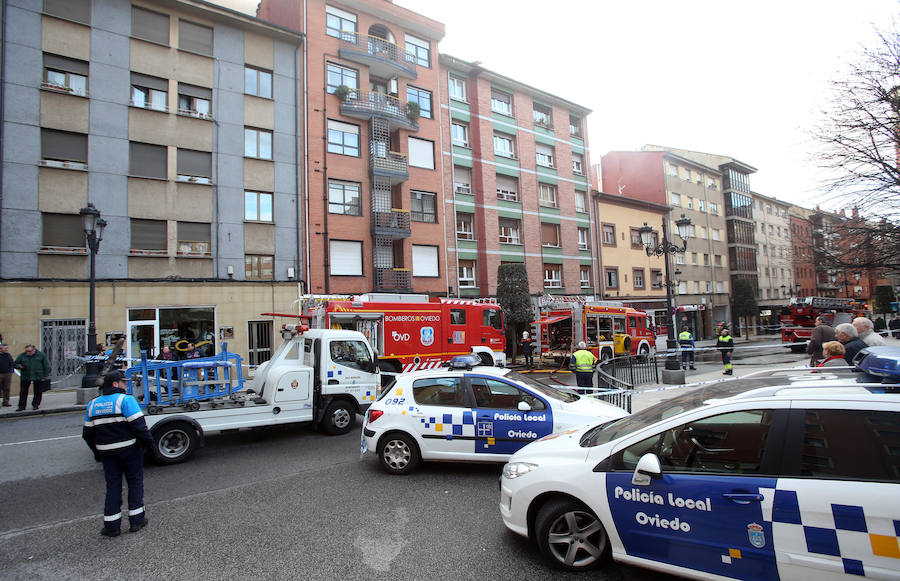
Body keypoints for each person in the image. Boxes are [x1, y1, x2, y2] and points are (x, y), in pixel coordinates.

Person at [82, 370, 154, 537]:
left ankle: (112, 526)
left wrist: (97, 452)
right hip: (129, 450)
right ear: (115, 384)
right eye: (123, 382)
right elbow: (140, 427)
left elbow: (87, 434)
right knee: (135, 482)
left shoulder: (93, 404)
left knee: (113, 486)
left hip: (107, 453)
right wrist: (150, 446)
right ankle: (136, 521)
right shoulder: (126, 400)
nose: (125, 384)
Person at [14, 344, 50, 411]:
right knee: (23, 391)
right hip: (26, 376)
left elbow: (46, 365)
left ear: (34, 350)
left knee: (38, 391)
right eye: (26, 351)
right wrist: (19, 366)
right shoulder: (22, 355)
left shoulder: (41, 355)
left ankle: (36, 404)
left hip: (38, 375)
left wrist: (45, 375)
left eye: (29, 351)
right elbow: (15, 363)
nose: (28, 353)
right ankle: (21, 406)